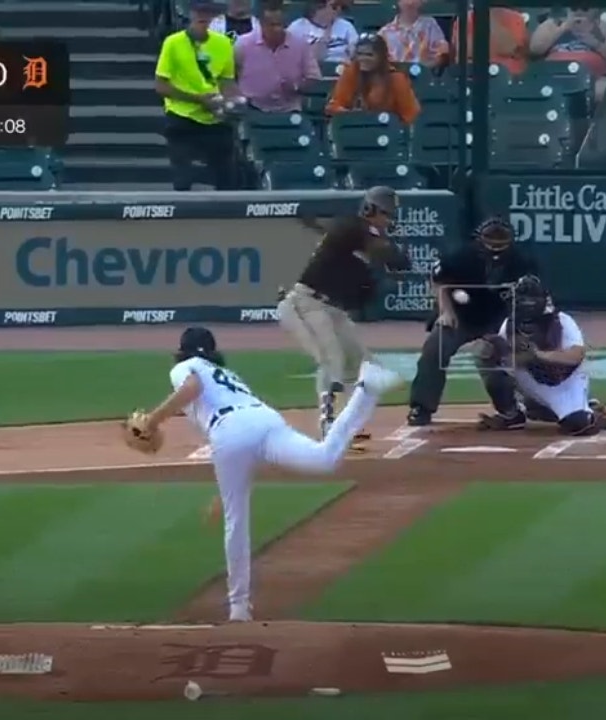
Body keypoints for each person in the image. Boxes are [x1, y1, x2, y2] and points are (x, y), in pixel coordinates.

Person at [138, 326, 404, 621]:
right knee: (324, 458)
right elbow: (245, 442)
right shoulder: (228, 376)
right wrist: (224, 492)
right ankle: (367, 389)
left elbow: (192, 388)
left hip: (229, 430)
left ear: (182, 350)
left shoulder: (185, 366)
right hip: (264, 418)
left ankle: (239, 607)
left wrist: (153, 420)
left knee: (236, 521)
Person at [276, 185, 412, 440]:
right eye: (385, 213)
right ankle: (329, 424)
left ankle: (346, 422)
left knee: (360, 362)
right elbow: (382, 250)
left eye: (391, 215)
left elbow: (385, 269)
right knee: (332, 360)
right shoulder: (352, 227)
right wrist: (391, 253)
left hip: (333, 309)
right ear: (369, 209)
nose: (388, 220)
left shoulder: (362, 244)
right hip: (306, 303)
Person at [406, 216, 537, 427]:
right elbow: (439, 281)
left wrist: (509, 327)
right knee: (435, 348)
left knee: (491, 354)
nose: (496, 247)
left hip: (497, 318)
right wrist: (446, 312)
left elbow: (529, 297)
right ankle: (421, 407)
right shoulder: (461, 257)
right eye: (491, 241)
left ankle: (510, 409)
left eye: (501, 242)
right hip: (460, 316)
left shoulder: (522, 263)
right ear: (479, 240)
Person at [480, 275, 606, 435]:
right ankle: (511, 415)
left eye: (519, 299)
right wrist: (499, 354)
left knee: (578, 424)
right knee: (487, 356)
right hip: (533, 379)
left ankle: (592, 412)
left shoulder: (562, 321)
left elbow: (576, 356)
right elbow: (507, 362)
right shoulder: (509, 324)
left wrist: (538, 355)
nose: (514, 302)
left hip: (567, 382)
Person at [154, 0, 239, 190]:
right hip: (181, 116)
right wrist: (198, 99)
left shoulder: (224, 43)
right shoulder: (173, 43)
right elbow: (161, 86)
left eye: (207, 12)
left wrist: (233, 99)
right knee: (183, 180)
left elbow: (226, 81)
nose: (203, 15)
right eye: (199, 11)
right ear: (190, 13)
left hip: (214, 117)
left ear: (213, 16)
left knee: (227, 179)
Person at [234, 0, 319, 113]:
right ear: (261, 24)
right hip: (251, 108)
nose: (277, 29)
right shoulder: (243, 44)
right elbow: (231, 76)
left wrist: (297, 86)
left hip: (289, 108)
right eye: (272, 25)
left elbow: (313, 77)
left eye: (280, 24)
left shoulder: (300, 44)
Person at [325, 33, 420, 125]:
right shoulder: (351, 72)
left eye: (369, 54)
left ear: (381, 57)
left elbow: (410, 115)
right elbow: (335, 105)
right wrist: (354, 116)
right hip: (355, 127)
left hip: (386, 128)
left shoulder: (396, 79)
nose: (363, 58)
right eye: (359, 54)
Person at [528, 7, 606, 78]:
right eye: (574, 8)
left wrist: (596, 43)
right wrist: (564, 28)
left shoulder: (603, 27)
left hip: (593, 78)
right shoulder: (554, 24)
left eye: (585, 9)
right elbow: (535, 49)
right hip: (554, 75)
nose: (579, 12)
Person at [450, 7, 528, 76]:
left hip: (508, 76)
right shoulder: (467, 19)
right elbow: (460, 55)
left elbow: (515, 51)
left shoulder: (516, 19)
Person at [378, 0, 448, 66]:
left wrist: (427, 65)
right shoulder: (385, 33)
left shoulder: (430, 25)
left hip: (425, 71)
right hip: (395, 72)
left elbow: (442, 55)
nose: (410, 2)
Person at [287, 0, 358, 63]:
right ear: (318, 8)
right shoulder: (297, 27)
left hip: (342, 68)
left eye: (342, 7)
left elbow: (355, 51)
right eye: (334, 7)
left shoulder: (346, 26)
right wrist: (326, 34)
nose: (339, 10)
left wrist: (353, 51)